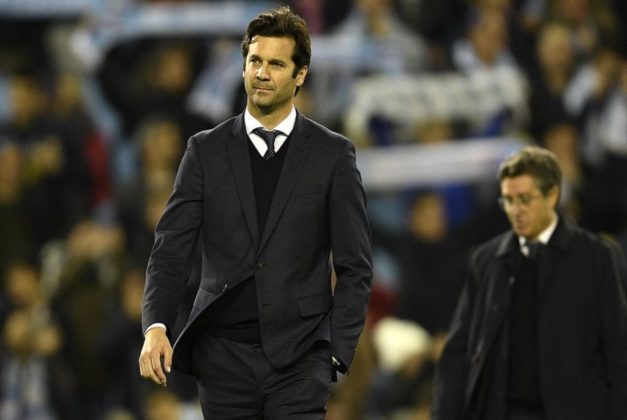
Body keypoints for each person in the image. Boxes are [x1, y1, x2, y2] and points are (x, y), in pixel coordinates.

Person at [138, 6, 373, 419]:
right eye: (255, 61)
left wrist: (337, 349)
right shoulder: (205, 151)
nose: (262, 73)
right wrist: (156, 325)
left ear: (300, 75)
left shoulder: (333, 155)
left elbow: (355, 265)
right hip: (221, 360)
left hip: (301, 359)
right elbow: (170, 250)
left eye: (276, 64)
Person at [431, 146, 627, 420]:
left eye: (525, 199)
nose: (516, 210)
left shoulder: (596, 257)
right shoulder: (486, 261)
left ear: (552, 195)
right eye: (508, 200)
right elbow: (458, 353)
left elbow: (617, 350)